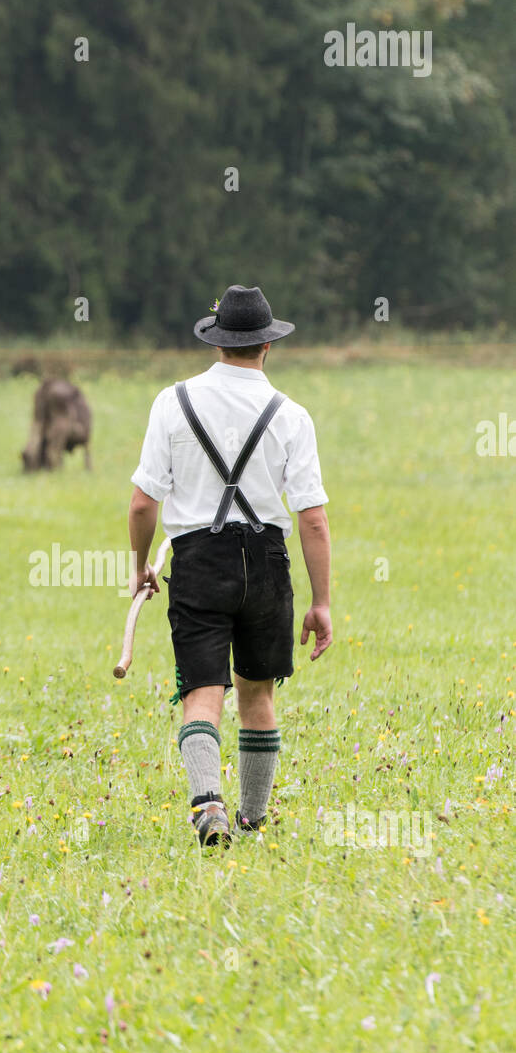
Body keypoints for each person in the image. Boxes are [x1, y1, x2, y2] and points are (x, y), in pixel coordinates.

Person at [127, 284, 332, 846]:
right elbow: (312, 518)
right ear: (267, 346)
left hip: (197, 560)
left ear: (217, 343)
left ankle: (206, 803)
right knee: (257, 693)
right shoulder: (292, 415)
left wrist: (141, 566)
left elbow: (144, 502)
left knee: (202, 691)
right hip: (267, 561)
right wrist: (320, 601)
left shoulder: (173, 402)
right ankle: (252, 819)